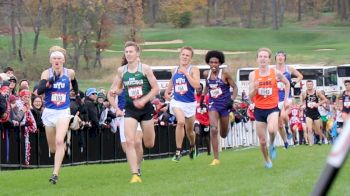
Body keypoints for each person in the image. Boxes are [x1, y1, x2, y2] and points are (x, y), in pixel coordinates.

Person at [108, 41, 159, 183]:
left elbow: (155, 89)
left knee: (149, 144)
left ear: (137, 54)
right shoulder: (121, 71)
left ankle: (140, 160)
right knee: (129, 141)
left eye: (131, 51)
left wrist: (144, 100)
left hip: (145, 109)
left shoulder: (145, 69)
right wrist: (115, 91)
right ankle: (135, 174)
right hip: (130, 110)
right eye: (126, 52)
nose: (129, 54)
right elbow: (117, 88)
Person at [36, 46, 81, 184]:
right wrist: (52, 80)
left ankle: (55, 174)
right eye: (54, 58)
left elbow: (74, 82)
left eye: (59, 58)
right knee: (53, 148)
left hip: (63, 111)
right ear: (50, 60)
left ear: (63, 60)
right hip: (49, 112)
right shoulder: (46, 73)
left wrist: (77, 95)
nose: (57, 61)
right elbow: (39, 91)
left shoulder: (70, 72)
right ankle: (62, 146)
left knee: (59, 141)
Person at [249, 48, 290, 169]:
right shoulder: (253, 75)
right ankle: (267, 160)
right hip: (259, 109)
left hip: (272, 108)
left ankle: (272, 144)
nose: (262, 59)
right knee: (262, 141)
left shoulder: (275, 72)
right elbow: (250, 96)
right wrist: (255, 89)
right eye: (260, 56)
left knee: (272, 130)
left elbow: (287, 83)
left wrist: (286, 99)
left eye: (265, 57)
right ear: (257, 59)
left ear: (269, 59)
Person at [164, 46, 200, 162]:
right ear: (180, 55)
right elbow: (171, 82)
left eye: (187, 55)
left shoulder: (193, 69)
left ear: (190, 58)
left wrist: (187, 74)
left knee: (190, 131)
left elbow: (196, 85)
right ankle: (178, 152)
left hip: (189, 103)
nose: (184, 57)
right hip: (177, 102)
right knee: (180, 122)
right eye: (183, 54)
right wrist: (166, 92)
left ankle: (192, 146)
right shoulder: (174, 70)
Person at [202, 50, 237, 166]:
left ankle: (229, 120)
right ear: (208, 63)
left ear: (220, 63)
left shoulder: (225, 74)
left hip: (225, 104)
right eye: (211, 62)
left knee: (223, 134)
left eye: (216, 62)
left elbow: (235, 87)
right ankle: (216, 158)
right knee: (213, 129)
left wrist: (231, 100)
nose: (213, 65)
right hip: (213, 104)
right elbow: (207, 87)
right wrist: (202, 100)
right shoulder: (206, 74)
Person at [275, 51, 303, 148]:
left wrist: (294, 83)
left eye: (282, 56)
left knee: (283, 115)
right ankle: (286, 141)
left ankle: (287, 128)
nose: (280, 57)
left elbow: (300, 76)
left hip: (287, 97)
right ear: (275, 58)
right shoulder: (272, 70)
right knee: (279, 125)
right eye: (278, 55)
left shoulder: (289, 68)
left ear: (285, 58)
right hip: (276, 99)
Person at [300, 80, 327, 146]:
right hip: (308, 113)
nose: (309, 86)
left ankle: (320, 140)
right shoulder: (304, 93)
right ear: (306, 85)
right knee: (309, 129)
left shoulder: (317, 92)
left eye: (310, 84)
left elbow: (325, 99)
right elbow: (301, 102)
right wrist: (302, 106)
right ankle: (310, 144)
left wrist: (318, 104)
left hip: (316, 113)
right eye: (308, 84)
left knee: (318, 130)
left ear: (313, 85)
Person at [194, 83, 210, 156]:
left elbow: (210, 107)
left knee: (206, 137)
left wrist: (205, 106)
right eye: (197, 88)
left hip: (206, 120)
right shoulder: (193, 97)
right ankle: (196, 151)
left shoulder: (206, 97)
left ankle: (209, 152)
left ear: (202, 89)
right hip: (197, 119)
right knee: (197, 133)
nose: (198, 90)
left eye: (199, 88)